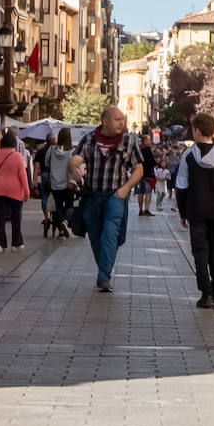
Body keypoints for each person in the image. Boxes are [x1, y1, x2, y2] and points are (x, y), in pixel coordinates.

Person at [72, 107, 141, 291]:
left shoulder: (128, 141)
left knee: (110, 235)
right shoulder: (89, 139)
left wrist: (126, 188)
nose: (122, 123)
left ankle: (103, 277)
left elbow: (138, 169)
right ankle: (104, 269)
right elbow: (76, 159)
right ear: (105, 121)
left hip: (115, 196)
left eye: (122, 119)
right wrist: (74, 169)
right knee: (96, 237)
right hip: (92, 196)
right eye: (117, 119)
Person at [174, 113, 214, 308]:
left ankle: (206, 293)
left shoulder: (188, 156)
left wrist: (183, 212)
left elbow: (181, 185)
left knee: (199, 251)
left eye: (193, 129)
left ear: (198, 131)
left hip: (195, 210)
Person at [0, 130, 30, 253]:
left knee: (0, 217)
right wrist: (26, 191)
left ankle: (0, 244)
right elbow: (23, 175)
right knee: (16, 218)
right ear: (14, 143)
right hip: (15, 192)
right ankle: (16, 243)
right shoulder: (17, 156)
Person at [47, 127, 76, 238]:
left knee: (58, 207)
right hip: (68, 183)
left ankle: (61, 230)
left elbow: (46, 162)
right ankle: (66, 221)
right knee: (69, 206)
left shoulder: (51, 150)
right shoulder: (72, 152)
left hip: (55, 183)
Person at [33, 132, 56, 237]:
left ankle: (46, 217)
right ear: (54, 140)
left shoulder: (40, 152)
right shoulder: (56, 151)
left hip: (45, 175)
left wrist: (34, 183)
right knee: (57, 196)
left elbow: (36, 168)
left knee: (45, 196)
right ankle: (56, 217)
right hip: (56, 177)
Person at [135, 133, 158, 217]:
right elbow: (152, 162)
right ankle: (146, 209)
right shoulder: (147, 150)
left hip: (138, 174)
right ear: (144, 141)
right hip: (148, 175)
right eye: (149, 140)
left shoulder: (138, 149)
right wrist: (157, 163)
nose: (150, 141)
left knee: (140, 193)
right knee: (148, 192)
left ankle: (140, 210)